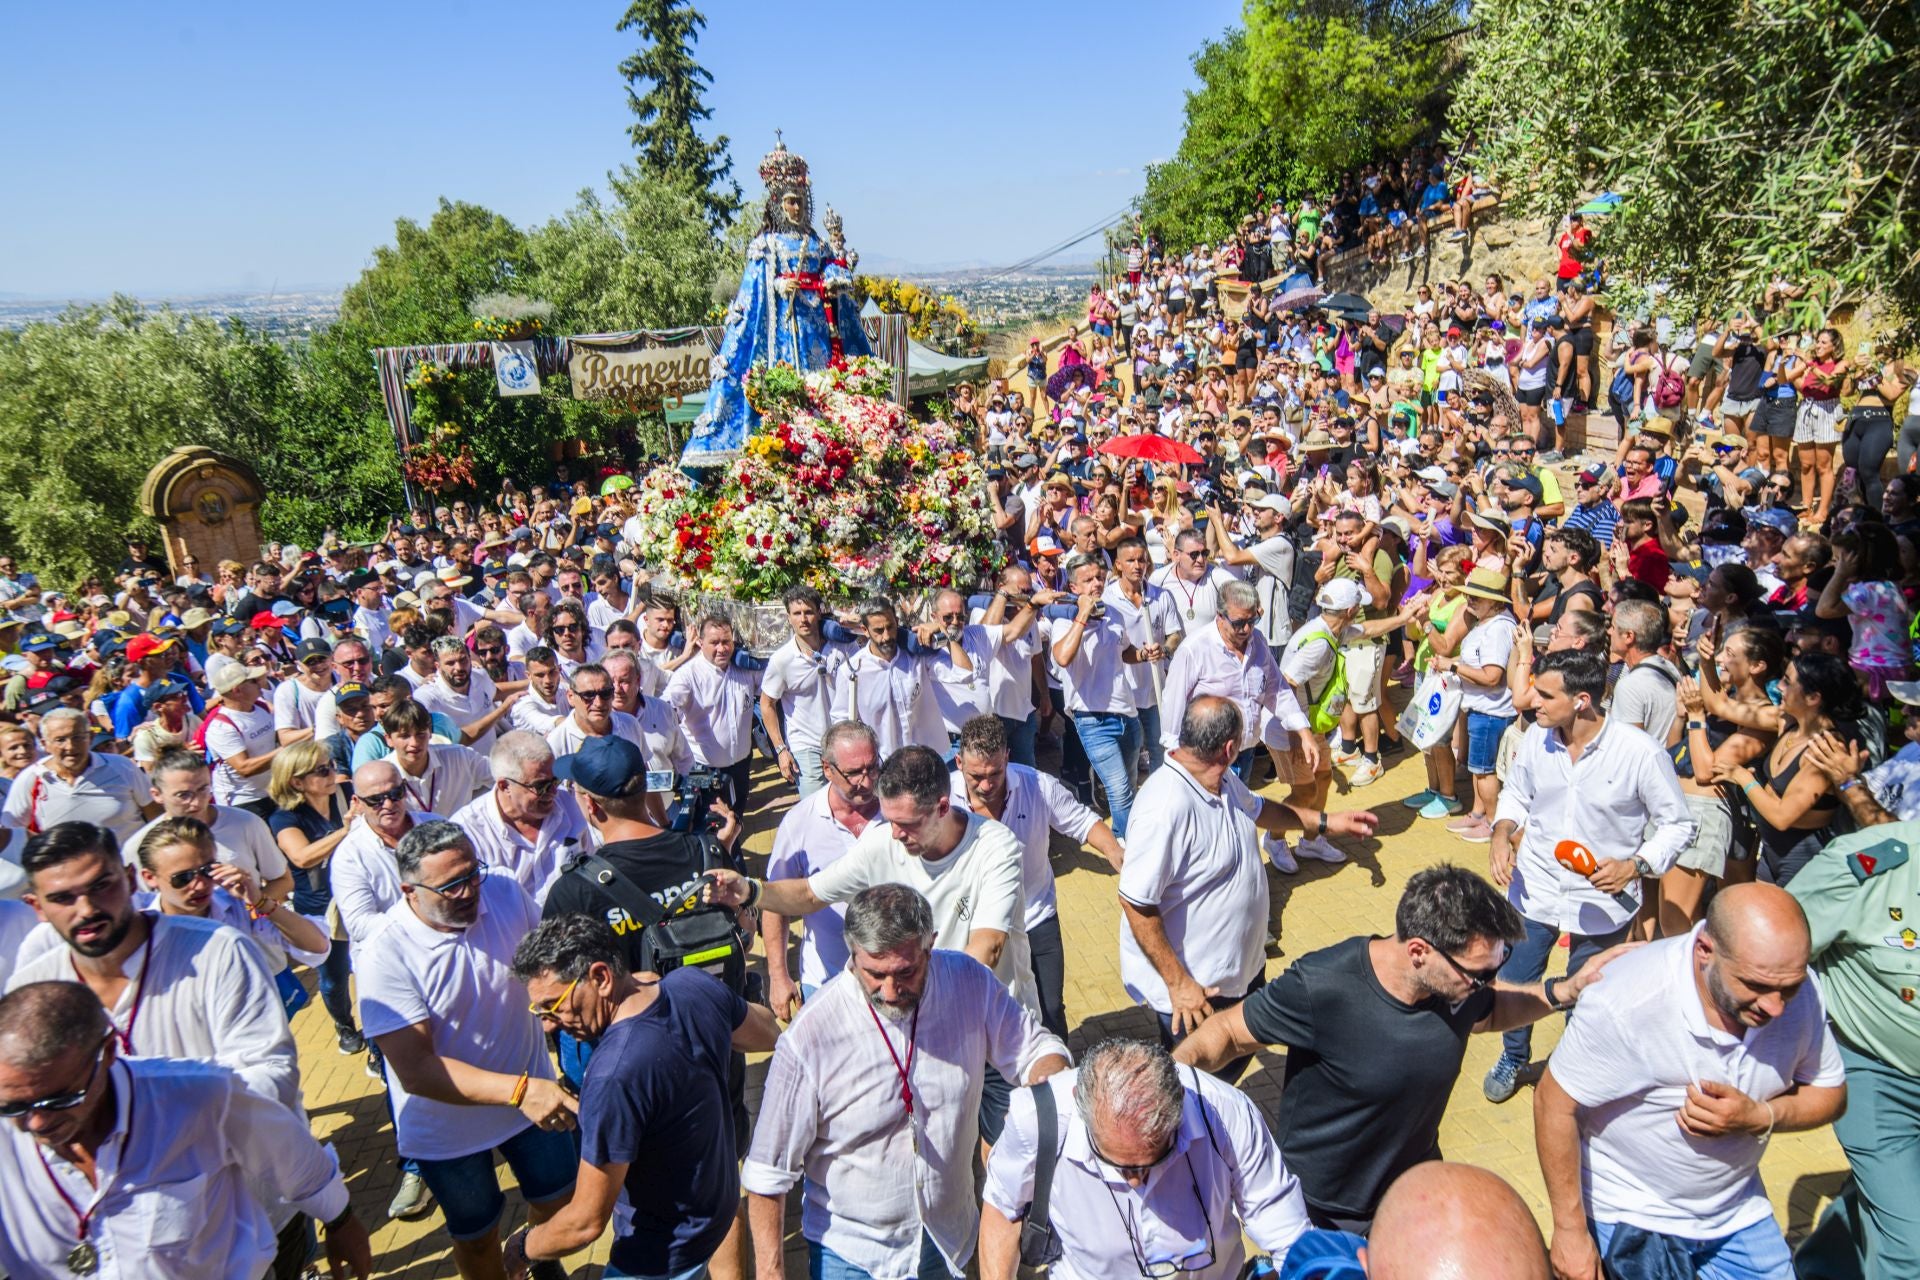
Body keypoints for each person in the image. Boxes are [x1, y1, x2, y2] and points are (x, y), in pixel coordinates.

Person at [1176, 864, 1624, 1234]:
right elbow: (1228, 1034)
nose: (1484, 985)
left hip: (1412, 1196)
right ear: (1418, 951)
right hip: (1324, 1215)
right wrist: (1165, 1081)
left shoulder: (1458, 990)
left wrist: (1563, 991)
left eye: (1495, 968)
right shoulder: (1324, 986)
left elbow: (1490, 1011)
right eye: (1478, 975)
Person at [740, 884, 1070, 1280]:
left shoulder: (969, 983)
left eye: (906, 972)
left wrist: (1057, 1085)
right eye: (875, 974)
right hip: (853, 1256)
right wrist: (771, 1272)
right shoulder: (810, 1039)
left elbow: (1033, 1049)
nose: (891, 991)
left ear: (930, 946)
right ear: (852, 954)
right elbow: (767, 1173)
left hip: (949, 1238)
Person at [1533, 884, 1847, 1280]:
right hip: (1631, 1214)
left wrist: (1760, 1116)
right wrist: (1569, 1232)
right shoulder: (1628, 1001)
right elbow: (1553, 1104)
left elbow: (1830, 1093)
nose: (1776, 1006)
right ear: (1705, 951)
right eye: (1756, 985)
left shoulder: (1800, 996)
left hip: (1736, 1210)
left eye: (1789, 986)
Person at [0, 981, 374, 1280]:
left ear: (108, 1052)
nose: (36, 1122)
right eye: (13, 1106)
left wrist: (340, 1221)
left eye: (62, 1098)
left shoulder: (202, 1096)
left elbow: (291, 1157)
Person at [355, 820, 578, 1280]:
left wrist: (557, 1006)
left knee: (557, 1199)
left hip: (529, 1097)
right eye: (450, 885)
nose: (468, 891)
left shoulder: (503, 891)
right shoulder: (384, 953)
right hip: (448, 1129)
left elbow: (545, 961)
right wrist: (521, 1092)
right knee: (476, 1237)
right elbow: (417, 1070)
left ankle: (533, 1258)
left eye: (471, 874)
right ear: (408, 891)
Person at [504, 913, 782, 1280]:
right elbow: (767, 1033)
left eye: (554, 1006)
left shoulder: (611, 1077)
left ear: (601, 978)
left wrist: (523, 1247)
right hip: (711, 1223)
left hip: (656, 1259)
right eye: (539, 1011)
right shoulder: (693, 986)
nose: (549, 1024)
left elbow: (585, 1223)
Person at [1122, 697, 1377, 1078]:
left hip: (1240, 974)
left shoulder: (1220, 778)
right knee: (1195, 1094)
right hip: (1199, 995)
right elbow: (1135, 902)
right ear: (1228, 749)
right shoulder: (1165, 807)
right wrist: (1180, 985)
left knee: (1224, 1076)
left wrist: (1325, 822)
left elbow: (1260, 809)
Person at [1483, 648, 1694, 1103]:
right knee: (1516, 980)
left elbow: (1679, 824)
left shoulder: (1639, 753)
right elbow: (1517, 793)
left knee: (1589, 992)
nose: (1531, 701)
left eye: (1544, 694)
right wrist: (1502, 832)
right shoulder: (1536, 739)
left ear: (1581, 700)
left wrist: (1635, 865)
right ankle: (1514, 1056)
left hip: (1603, 902)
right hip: (1534, 889)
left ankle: (1569, 1071)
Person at [979, 1038, 1311, 1280]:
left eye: (1155, 1159)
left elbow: (1288, 1236)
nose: (1136, 1181)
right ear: (1079, 1103)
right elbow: (1002, 1211)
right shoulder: (1035, 1119)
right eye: (1118, 1165)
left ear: (1179, 1107)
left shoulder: (1228, 1114)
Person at [1786, 819, 1920, 1279]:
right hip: (1879, 1074)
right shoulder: (1869, 865)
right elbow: (1760, 948)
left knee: (1887, 1201)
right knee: (1913, 1249)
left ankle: (1821, 1269)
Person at [951, 713, 1123, 1040]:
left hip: (1036, 917)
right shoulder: (943, 800)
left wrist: (1116, 853)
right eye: (976, 776)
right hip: (974, 923)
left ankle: (1056, 1071)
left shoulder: (1039, 786)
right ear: (959, 761)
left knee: (1051, 1008)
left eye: (995, 773)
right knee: (985, 1010)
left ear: (1007, 757)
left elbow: (1083, 823)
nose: (986, 785)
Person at [131, 814, 330, 996]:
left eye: (207, 870)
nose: (199, 885)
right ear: (150, 878)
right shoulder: (140, 931)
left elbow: (317, 946)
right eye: (182, 878)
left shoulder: (234, 907)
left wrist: (260, 901)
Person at [762, 720, 880, 1021]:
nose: (865, 782)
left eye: (872, 768)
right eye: (853, 773)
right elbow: (775, 901)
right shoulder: (800, 822)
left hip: (895, 982)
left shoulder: (898, 812)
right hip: (826, 983)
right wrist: (778, 975)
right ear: (827, 769)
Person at [268, 739, 366, 1056]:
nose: (331, 773)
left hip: (360, 892)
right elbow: (301, 857)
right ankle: (344, 1025)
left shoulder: (345, 793)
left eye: (331, 765)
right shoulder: (285, 819)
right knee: (335, 977)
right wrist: (346, 830)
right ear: (297, 781)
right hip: (321, 907)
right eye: (322, 770)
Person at [124, 747, 295, 902]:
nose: (197, 803)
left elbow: (282, 880)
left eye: (203, 789)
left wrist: (249, 909)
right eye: (183, 795)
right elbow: (143, 905)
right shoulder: (139, 847)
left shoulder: (246, 824)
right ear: (157, 795)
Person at [452, 731, 590, 904]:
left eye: (555, 781)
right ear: (505, 786)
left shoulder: (570, 806)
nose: (554, 792)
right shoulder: (469, 834)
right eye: (541, 786)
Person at [2, 706, 155, 843]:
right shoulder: (31, 779)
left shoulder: (121, 766)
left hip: (129, 868)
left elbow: (154, 813)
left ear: (90, 737)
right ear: (44, 744)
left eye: (77, 737)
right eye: (60, 740)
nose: (70, 746)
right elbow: (13, 832)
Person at [759, 585, 856, 795]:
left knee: (850, 802)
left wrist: (855, 626)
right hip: (807, 745)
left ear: (819, 612)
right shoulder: (782, 660)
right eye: (797, 613)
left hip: (843, 740)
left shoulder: (841, 647)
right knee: (815, 809)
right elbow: (766, 704)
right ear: (788, 617)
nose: (803, 619)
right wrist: (781, 750)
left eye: (809, 612)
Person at [663, 616, 762, 812]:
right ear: (700, 642)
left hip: (741, 764)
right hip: (702, 768)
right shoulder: (687, 675)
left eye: (726, 642)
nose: (722, 649)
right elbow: (667, 706)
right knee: (708, 825)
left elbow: (772, 688)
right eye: (714, 643)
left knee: (737, 818)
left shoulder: (745, 669)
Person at [202, 662, 286, 819]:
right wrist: (285, 750)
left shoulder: (261, 707)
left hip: (273, 791)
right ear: (237, 690)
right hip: (244, 801)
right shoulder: (222, 727)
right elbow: (244, 768)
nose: (259, 683)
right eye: (253, 681)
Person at [413, 633, 521, 754]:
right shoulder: (427, 697)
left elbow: (494, 692)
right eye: (450, 663)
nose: (458, 667)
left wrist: (532, 683)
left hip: (490, 766)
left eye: (463, 660)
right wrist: (503, 709)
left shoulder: (480, 676)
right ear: (438, 666)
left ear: (471, 659)